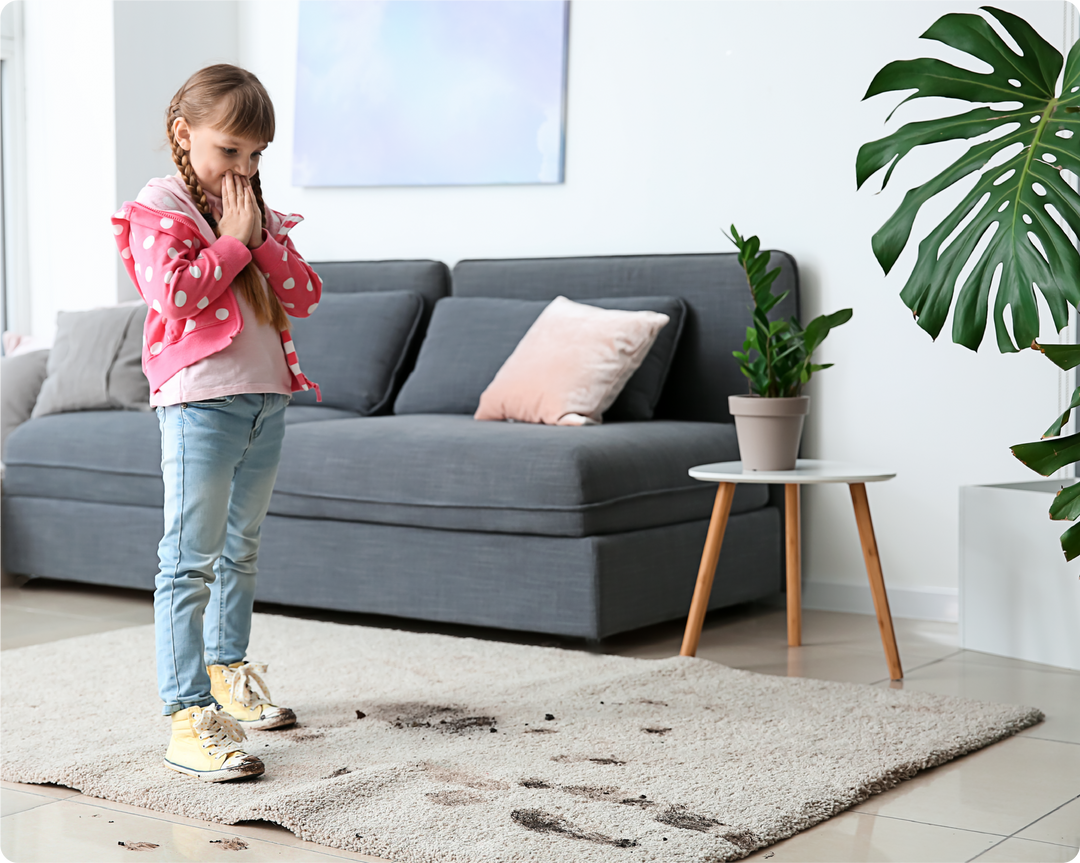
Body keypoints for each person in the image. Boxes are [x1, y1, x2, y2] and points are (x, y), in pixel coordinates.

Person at [110, 64, 322, 782]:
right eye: (230, 150)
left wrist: (255, 236)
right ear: (185, 134)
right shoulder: (161, 204)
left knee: (242, 547)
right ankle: (186, 713)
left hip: (267, 398)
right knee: (189, 557)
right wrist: (231, 241)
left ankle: (229, 667)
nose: (244, 167)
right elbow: (173, 295)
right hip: (200, 400)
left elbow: (304, 292)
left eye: (256, 155)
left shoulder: (251, 210)